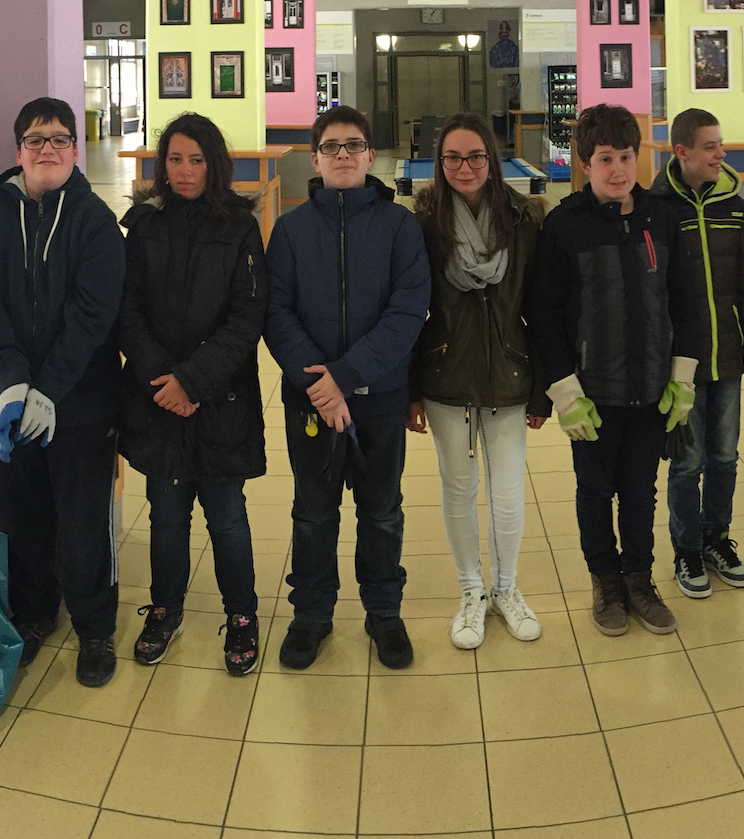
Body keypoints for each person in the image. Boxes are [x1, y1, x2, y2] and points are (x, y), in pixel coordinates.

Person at [0, 97, 126, 687]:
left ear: (75, 149)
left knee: (83, 525)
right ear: (18, 151)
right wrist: (12, 381)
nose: (47, 149)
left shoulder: (96, 221)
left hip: (80, 405)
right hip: (10, 405)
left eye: (58, 139)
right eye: (35, 140)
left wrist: (49, 389)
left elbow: (93, 315)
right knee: (21, 518)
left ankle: (95, 627)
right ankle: (33, 614)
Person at [264, 107, 431, 670]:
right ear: (314, 159)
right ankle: (311, 614)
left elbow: (407, 312)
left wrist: (347, 376)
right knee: (313, 513)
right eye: (331, 147)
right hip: (310, 402)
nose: (342, 154)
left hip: (379, 399)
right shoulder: (290, 230)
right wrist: (321, 385)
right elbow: (276, 313)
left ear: (370, 156)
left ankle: (384, 611)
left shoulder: (399, 225)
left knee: (382, 512)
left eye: (353, 145)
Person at [527, 104, 701, 637]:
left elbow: (686, 301)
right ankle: (605, 580)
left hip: (651, 391)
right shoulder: (564, 226)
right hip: (593, 396)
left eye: (626, 157)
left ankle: (638, 579)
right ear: (584, 164)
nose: (618, 170)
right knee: (595, 491)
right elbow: (543, 313)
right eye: (605, 159)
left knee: (641, 491)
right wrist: (564, 393)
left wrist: (682, 377)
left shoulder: (662, 219)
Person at [116, 114, 267, 675]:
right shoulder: (144, 225)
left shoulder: (240, 226)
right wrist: (165, 380)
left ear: (214, 165)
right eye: (175, 159)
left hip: (221, 399)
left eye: (196, 160)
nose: (184, 171)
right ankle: (166, 609)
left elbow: (248, 316)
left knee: (226, 516)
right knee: (165, 515)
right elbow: (127, 310)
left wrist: (194, 381)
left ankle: (242, 615)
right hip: (160, 400)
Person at [406, 113, 549, 649]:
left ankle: (506, 589)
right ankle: (472, 591)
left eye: (475, 157)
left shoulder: (524, 220)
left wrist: (542, 390)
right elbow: (408, 313)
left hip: (510, 374)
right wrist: (411, 391)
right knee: (459, 489)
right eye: (452, 158)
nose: (464, 168)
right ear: (439, 162)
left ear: (492, 158)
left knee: (508, 494)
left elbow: (541, 310)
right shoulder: (422, 225)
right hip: (445, 375)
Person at [649, 108, 744, 598]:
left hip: (729, 360)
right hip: (680, 366)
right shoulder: (657, 210)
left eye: (721, 144)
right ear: (682, 152)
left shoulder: (736, 209)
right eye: (710, 146)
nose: (721, 153)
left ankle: (717, 539)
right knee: (687, 463)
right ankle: (687, 549)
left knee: (724, 458)